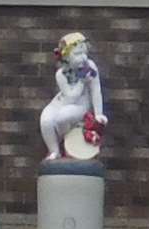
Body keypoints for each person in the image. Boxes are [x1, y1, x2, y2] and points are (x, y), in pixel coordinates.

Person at [40, 31, 107, 161]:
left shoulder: (90, 66)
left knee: (63, 117)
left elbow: (95, 89)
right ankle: (54, 150)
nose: (82, 57)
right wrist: (82, 81)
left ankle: (68, 142)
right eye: (77, 54)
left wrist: (99, 113)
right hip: (63, 101)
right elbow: (71, 96)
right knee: (46, 120)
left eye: (84, 53)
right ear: (66, 57)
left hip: (81, 103)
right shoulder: (61, 74)